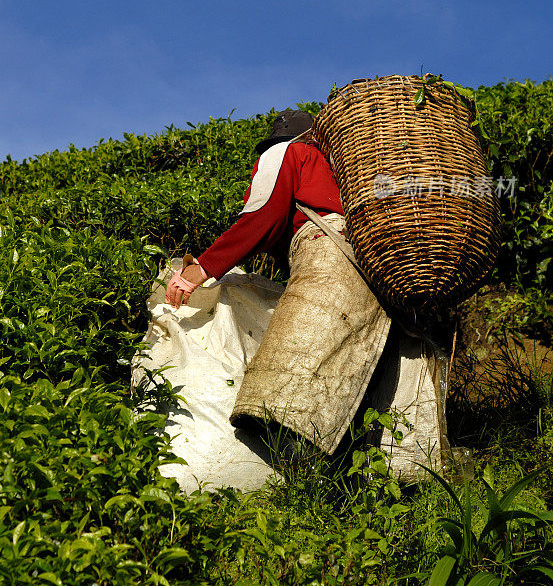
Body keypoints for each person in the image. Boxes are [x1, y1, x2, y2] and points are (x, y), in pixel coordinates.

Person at [164, 109, 449, 473]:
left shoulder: (286, 154)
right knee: (372, 378)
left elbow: (263, 214)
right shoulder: (341, 171)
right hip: (375, 262)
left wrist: (201, 268)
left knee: (292, 388)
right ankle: (397, 478)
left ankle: (300, 481)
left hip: (329, 253)